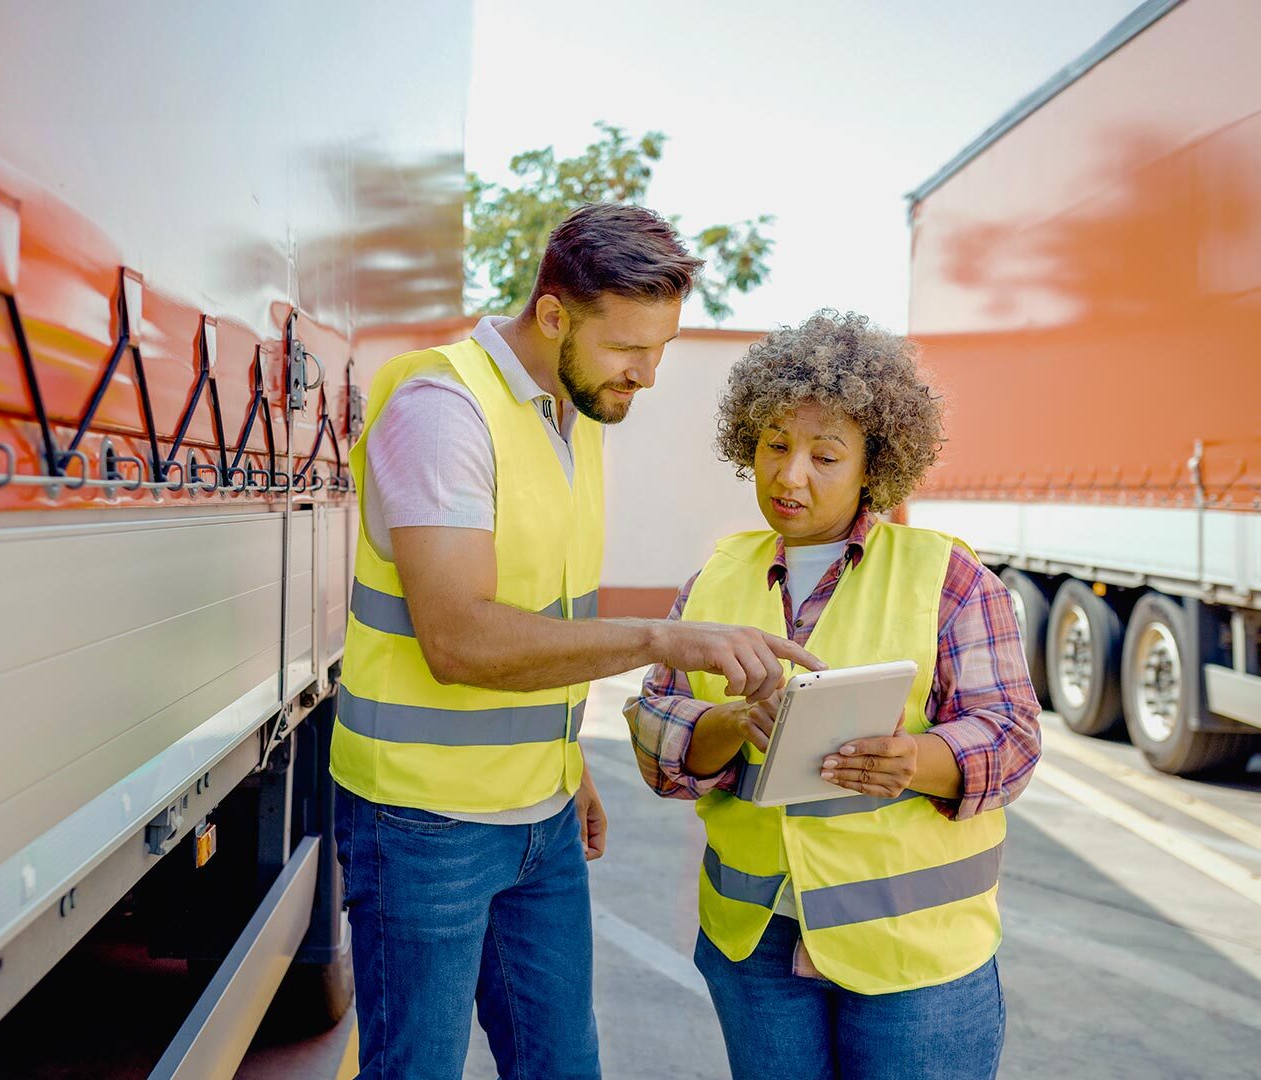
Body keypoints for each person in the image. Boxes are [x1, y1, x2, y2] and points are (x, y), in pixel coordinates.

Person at [331, 203, 822, 1080]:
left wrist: (571, 761)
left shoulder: (573, 412)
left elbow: (544, 618)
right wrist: (664, 638)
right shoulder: (445, 411)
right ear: (553, 314)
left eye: (663, 347)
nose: (649, 374)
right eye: (630, 348)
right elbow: (459, 639)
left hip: (540, 818)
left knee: (563, 1066)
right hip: (422, 823)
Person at [625, 310, 1041, 1080]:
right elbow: (655, 734)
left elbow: (1012, 738)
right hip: (756, 950)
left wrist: (916, 759)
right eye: (775, 445)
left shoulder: (947, 580)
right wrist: (725, 723)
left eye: (825, 454)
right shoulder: (715, 579)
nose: (790, 476)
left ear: (870, 466)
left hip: (913, 961)